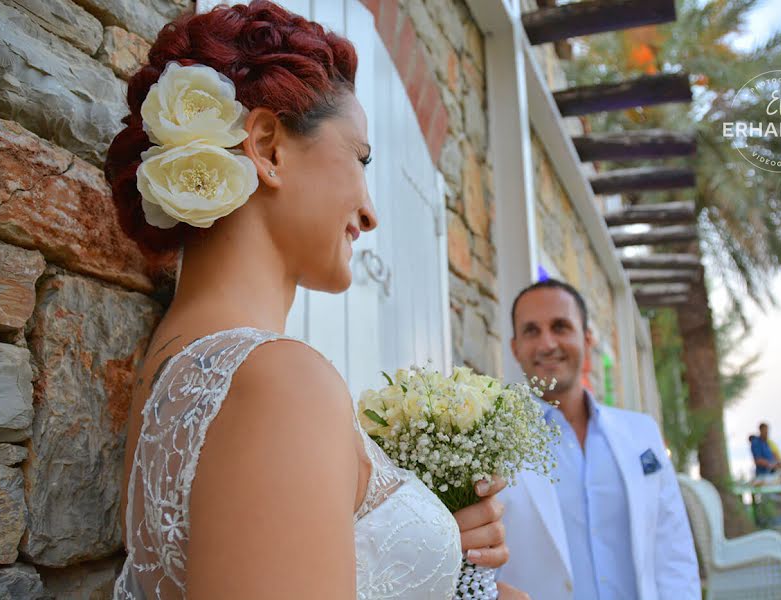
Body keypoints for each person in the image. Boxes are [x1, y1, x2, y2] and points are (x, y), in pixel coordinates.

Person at [104, 3, 524, 598]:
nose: (371, 212)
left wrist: (431, 566)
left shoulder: (179, 374)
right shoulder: (278, 382)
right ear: (269, 147)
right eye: (361, 157)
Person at [496, 279, 700, 600]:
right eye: (531, 331)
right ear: (515, 348)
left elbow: (672, 550)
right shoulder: (492, 444)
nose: (547, 343)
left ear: (587, 339)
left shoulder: (642, 433)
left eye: (560, 327)